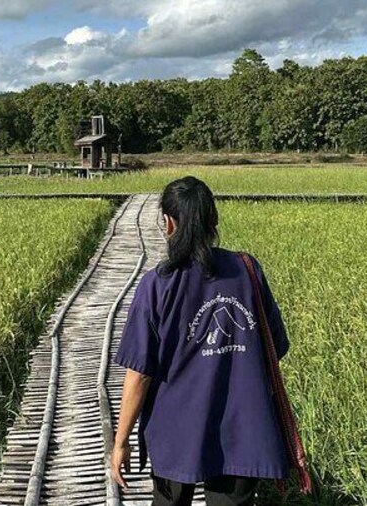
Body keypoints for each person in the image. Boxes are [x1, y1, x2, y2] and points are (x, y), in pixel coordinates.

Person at [111, 176, 291, 506]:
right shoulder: (247, 271)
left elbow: (139, 375)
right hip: (242, 429)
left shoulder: (156, 286)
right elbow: (275, 348)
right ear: (214, 221)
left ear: (167, 223)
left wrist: (120, 441)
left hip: (176, 433)